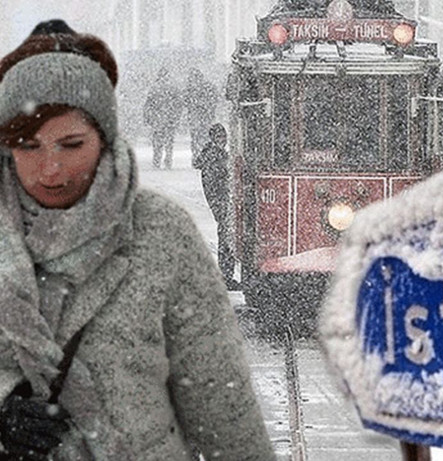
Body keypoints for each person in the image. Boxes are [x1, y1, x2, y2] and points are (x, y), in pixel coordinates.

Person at [0, 19, 274, 460]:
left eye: (71, 145)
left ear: (104, 141)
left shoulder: (161, 232)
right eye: (29, 146)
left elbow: (221, 400)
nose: (50, 169)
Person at [193, 123, 239, 290]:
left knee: (225, 236)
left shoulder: (212, 155)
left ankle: (226, 274)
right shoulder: (215, 156)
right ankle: (226, 275)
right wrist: (222, 201)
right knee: (226, 237)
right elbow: (216, 183)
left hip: (220, 201)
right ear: (214, 138)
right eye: (220, 137)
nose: (223, 140)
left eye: (224, 137)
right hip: (221, 201)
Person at [143, 67, 181, 169]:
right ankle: (168, 160)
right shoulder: (173, 88)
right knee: (169, 142)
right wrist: (176, 117)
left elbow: (148, 105)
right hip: (170, 119)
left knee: (157, 142)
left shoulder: (154, 88)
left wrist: (147, 118)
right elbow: (178, 105)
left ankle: (157, 160)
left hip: (157, 120)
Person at [183, 68, 218, 166]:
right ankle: (205, 158)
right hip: (205, 118)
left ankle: (197, 158)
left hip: (196, 118)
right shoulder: (209, 87)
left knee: (196, 139)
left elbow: (185, 101)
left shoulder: (190, 89)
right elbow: (215, 99)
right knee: (205, 138)